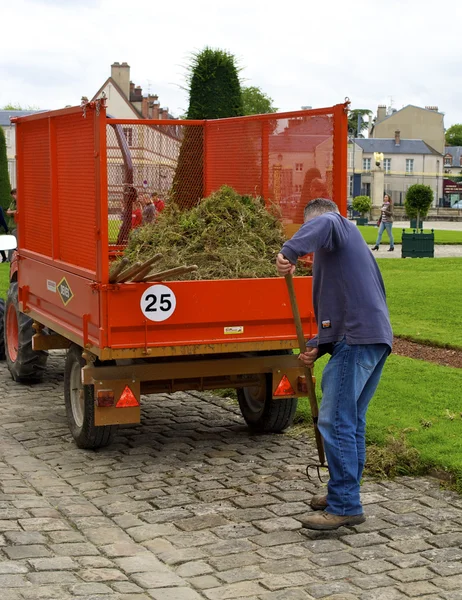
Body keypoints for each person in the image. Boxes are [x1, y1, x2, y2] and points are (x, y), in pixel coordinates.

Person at [276, 198, 392, 531]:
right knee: (351, 422)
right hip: (369, 337)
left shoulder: (336, 225)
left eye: (307, 228)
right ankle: (343, 494)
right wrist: (318, 344)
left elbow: (325, 222)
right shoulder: (344, 252)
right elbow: (342, 305)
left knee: (335, 420)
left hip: (357, 341)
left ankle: (344, 505)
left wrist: (290, 251)